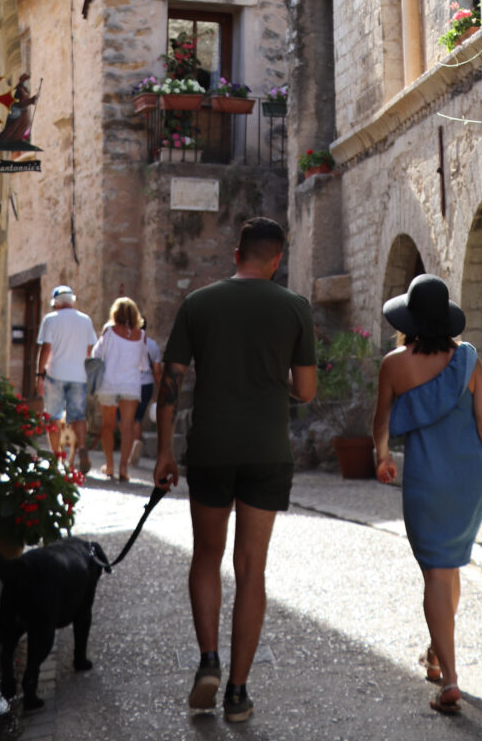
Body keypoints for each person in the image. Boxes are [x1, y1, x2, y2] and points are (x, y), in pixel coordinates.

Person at [154, 217, 317, 723]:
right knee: (251, 569)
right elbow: (306, 391)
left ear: (235, 253)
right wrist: (275, 381)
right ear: (277, 259)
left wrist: (164, 451)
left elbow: (170, 382)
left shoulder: (198, 304)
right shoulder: (295, 308)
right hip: (268, 452)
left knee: (207, 556)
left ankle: (208, 661)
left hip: (210, 448)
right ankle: (239, 694)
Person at [372, 274, 482, 716]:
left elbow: (381, 423)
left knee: (435, 572)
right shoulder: (468, 361)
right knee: (450, 570)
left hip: (427, 482)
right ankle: (436, 654)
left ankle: (449, 679)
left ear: (409, 320)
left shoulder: (394, 364)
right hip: (469, 480)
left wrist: (382, 457)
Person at [36, 285, 97, 474]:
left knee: (53, 416)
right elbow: (90, 351)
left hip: (55, 374)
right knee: (78, 415)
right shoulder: (85, 320)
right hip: (79, 375)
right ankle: (81, 449)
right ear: (72, 301)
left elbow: (46, 348)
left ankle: (56, 458)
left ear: (56, 303)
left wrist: (40, 375)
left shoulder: (51, 320)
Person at [92, 296, 145, 482]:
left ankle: (110, 466)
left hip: (109, 383)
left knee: (108, 425)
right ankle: (124, 468)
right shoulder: (141, 335)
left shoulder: (109, 331)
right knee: (128, 425)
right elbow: (143, 364)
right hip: (130, 384)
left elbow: (96, 354)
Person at [130, 319, 162, 466]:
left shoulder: (128, 342)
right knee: (138, 418)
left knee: (127, 418)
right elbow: (157, 371)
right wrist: (160, 389)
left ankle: (130, 447)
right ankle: (135, 444)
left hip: (129, 383)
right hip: (146, 384)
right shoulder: (153, 345)